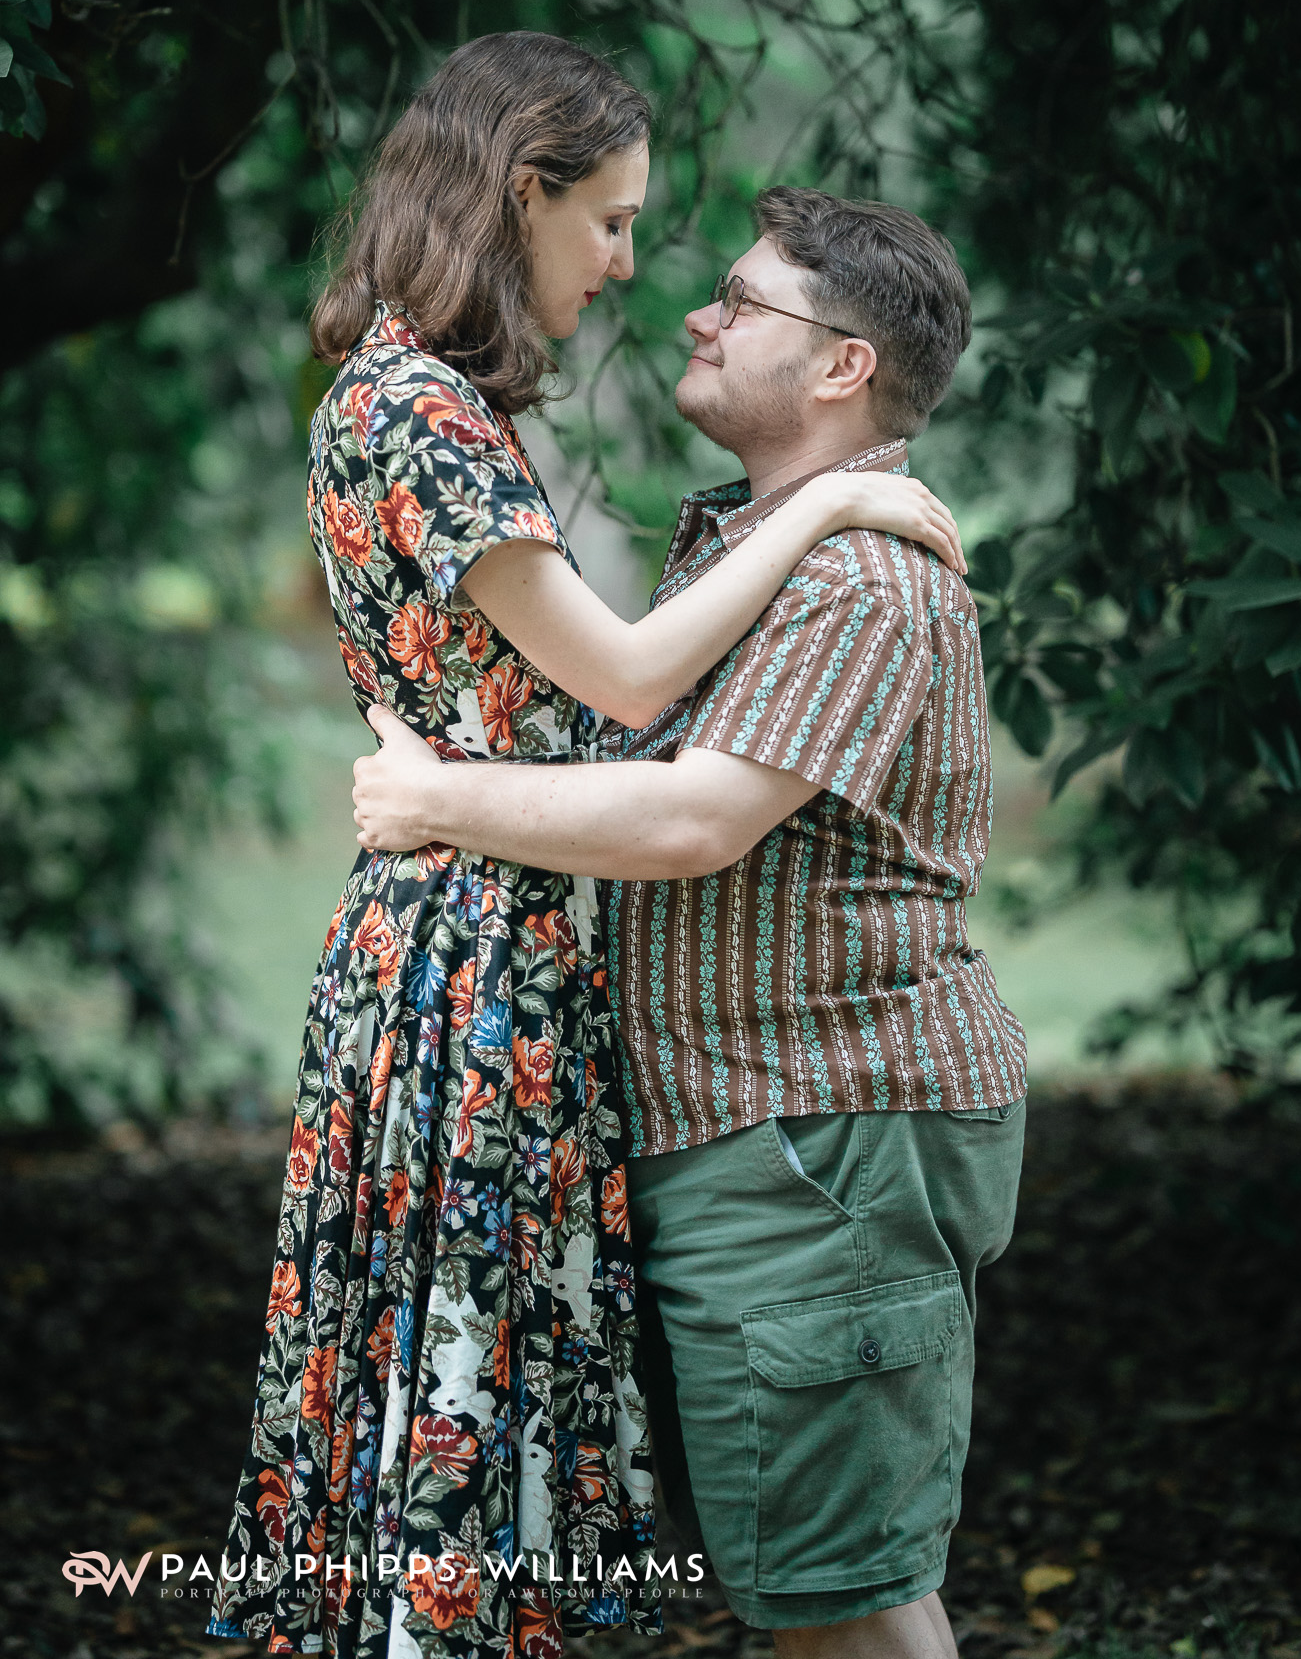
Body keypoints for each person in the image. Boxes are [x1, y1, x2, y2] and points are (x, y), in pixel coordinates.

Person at [207, 37, 968, 1659]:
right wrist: (827, 508)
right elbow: (625, 682)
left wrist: (439, 799)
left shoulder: (422, 402)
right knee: (454, 1418)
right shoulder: (419, 412)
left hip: (509, 957)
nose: (637, 270)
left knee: (468, 1424)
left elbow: (659, 772)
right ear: (521, 196)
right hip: (470, 968)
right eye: (611, 222)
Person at [350, 184, 1029, 1659]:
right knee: (818, 1581)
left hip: (820, 1136)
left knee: (842, 1597)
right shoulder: (767, 550)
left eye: (741, 300)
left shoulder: (860, 576)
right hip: (771, 1135)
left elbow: (691, 822)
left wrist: (432, 801)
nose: (695, 314)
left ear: (843, 364)